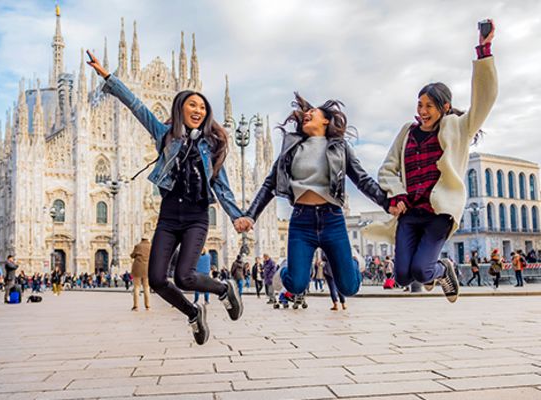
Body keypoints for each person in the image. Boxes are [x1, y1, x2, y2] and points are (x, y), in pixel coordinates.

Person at [87, 50, 245, 346]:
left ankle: (224, 290)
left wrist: (237, 217)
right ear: (180, 109)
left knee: (185, 277)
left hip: (197, 216)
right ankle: (193, 314)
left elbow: (221, 187)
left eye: (202, 106)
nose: (197, 110)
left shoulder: (211, 146)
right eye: (191, 104)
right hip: (169, 215)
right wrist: (108, 77)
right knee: (157, 279)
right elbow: (136, 106)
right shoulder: (164, 135)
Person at [372, 20, 497, 303]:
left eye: (429, 105)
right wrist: (398, 193)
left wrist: (484, 51)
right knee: (403, 276)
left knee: (421, 268)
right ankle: (433, 272)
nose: (422, 111)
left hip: (438, 213)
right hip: (411, 213)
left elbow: (485, 100)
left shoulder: (458, 127)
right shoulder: (407, 132)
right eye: (420, 105)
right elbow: (388, 168)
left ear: (445, 107)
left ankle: (443, 269)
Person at [240, 93, 390, 303]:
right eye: (305, 113)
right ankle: (286, 267)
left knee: (350, 287)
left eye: (313, 112)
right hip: (302, 220)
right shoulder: (291, 148)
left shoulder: (339, 147)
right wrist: (250, 215)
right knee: (296, 284)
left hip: (332, 219)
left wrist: (387, 203)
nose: (307, 114)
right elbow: (269, 184)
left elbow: (362, 179)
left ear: (326, 120)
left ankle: (354, 260)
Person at [131, 238, 151, 311]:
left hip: (137, 269)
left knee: (136, 287)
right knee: (146, 288)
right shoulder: (150, 246)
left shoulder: (138, 246)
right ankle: (148, 306)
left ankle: (136, 306)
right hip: (146, 269)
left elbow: (132, 255)